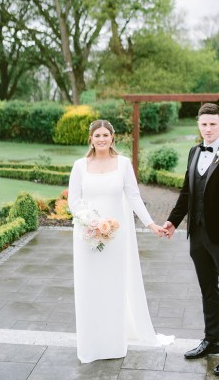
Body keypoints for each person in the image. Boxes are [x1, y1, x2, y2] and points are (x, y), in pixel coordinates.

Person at [68, 119, 171, 363]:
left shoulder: (123, 164)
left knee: (113, 287)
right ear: (90, 139)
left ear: (112, 138)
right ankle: (90, 346)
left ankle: (113, 345)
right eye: (97, 135)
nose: (101, 139)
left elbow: (134, 197)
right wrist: (90, 222)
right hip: (87, 236)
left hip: (116, 238)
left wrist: (151, 224)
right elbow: (74, 201)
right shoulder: (80, 166)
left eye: (105, 135)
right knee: (89, 288)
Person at [163, 103, 219, 376]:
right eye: (204, 124)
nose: (208, 129)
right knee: (207, 290)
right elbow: (187, 193)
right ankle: (212, 340)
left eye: (213, 124)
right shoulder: (193, 151)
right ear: (198, 126)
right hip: (198, 235)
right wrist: (172, 221)